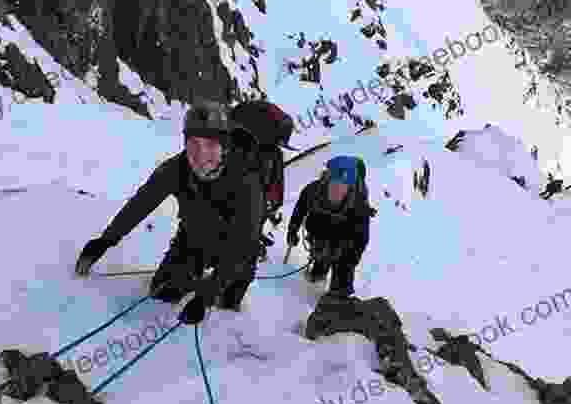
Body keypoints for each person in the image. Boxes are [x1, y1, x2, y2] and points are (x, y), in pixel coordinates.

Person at [75, 100, 265, 325]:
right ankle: (196, 277)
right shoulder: (177, 169)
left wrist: (207, 295)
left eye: (211, 145)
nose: (201, 155)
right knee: (162, 293)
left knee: (225, 306)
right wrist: (106, 240)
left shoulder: (246, 180)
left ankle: (221, 287)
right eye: (194, 144)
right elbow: (141, 203)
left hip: (237, 249)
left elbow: (243, 242)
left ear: (225, 147)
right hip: (195, 238)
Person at [286, 155, 377, 297]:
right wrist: (292, 229)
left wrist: (352, 260)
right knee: (321, 256)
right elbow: (300, 208)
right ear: (327, 180)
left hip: (345, 241)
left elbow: (362, 238)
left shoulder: (358, 204)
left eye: (343, 186)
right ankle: (315, 278)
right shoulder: (313, 191)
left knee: (343, 269)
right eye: (334, 184)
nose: (338, 189)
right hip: (320, 232)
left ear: (350, 186)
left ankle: (338, 298)